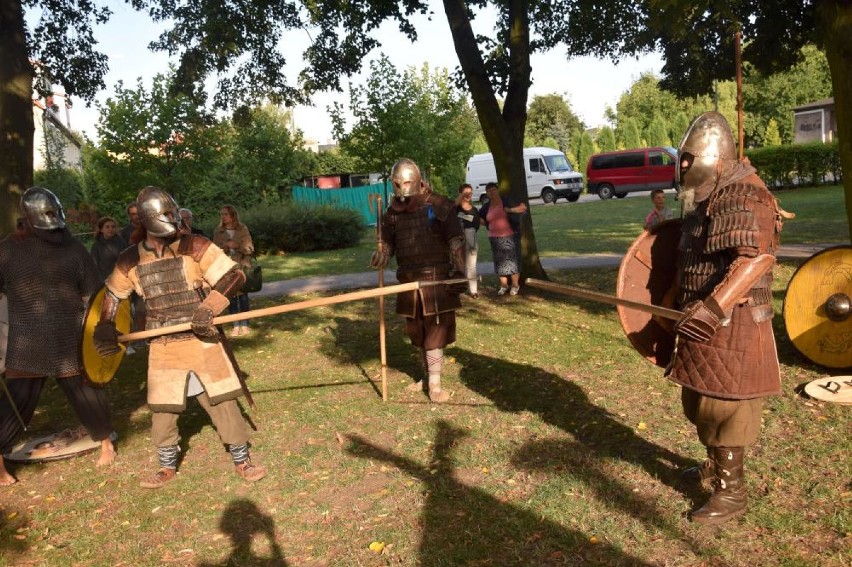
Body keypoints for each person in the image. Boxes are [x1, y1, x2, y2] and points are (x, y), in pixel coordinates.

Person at [93, 186, 265, 488]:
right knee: (163, 407)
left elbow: (234, 275)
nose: (173, 219)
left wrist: (209, 306)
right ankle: (166, 466)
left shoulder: (195, 245)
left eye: (174, 213)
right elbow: (112, 292)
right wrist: (105, 324)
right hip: (163, 342)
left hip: (202, 339)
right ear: (148, 220)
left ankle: (242, 459)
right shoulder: (130, 259)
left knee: (223, 400)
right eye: (167, 215)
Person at [668, 112, 785, 525]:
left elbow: (754, 262)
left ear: (715, 158)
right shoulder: (710, 194)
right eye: (681, 159)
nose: (682, 167)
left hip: (733, 321)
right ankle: (715, 470)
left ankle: (731, 493)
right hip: (705, 320)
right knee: (702, 400)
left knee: (727, 408)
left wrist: (713, 307)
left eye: (689, 159)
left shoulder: (741, 196)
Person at [0, 187, 116, 486]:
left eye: (55, 213)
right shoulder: (8, 249)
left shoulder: (73, 248)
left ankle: (106, 442)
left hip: (70, 333)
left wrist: (100, 325)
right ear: (27, 217)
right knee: (15, 403)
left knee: (87, 393)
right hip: (28, 339)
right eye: (46, 214)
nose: (53, 220)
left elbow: (93, 292)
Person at [369, 159, 466, 403]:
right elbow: (388, 244)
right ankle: (426, 375)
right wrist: (382, 253)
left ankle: (435, 384)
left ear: (418, 182)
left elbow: (456, 241)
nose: (403, 196)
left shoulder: (438, 206)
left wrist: (462, 272)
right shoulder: (392, 213)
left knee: (434, 332)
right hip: (408, 279)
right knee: (418, 332)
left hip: (435, 278)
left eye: (406, 188)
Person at [478, 182, 527, 296]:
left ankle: (515, 285)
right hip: (494, 237)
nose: (491, 193)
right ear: (487, 193)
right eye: (489, 191)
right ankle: (504, 286)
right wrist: (481, 221)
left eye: (493, 190)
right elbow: (480, 218)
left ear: (498, 190)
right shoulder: (486, 206)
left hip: (509, 235)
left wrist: (510, 210)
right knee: (499, 263)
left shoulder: (506, 201)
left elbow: (523, 208)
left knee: (512, 262)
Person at [212, 205, 254, 337]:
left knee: (243, 297)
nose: (223, 217)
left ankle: (245, 324)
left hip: (242, 267)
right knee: (231, 297)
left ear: (232, 215)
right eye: (221, 214)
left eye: (225, 214)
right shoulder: (218, 231)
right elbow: (215, 252)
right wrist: (225, 247)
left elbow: (250, 249)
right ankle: (235, 325)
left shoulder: (242, 229)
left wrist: (237, 246)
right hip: (227, 269)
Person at [455, 183, 480, 298]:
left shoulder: (474, 210)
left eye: (470, 192)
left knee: (471, 266)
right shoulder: (456, 208)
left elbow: (477, 226)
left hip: (471, 238)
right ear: (460, 193)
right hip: (457, 240)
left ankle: (473, 291)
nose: (468, 195)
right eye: (466, 193)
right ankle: (458, 289)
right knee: (458, 265)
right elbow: (452, 207)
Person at [90, 216, 128, 282]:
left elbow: (128, 260)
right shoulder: (96, 246)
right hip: (104, 280)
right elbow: (93, 265)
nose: (110, 229)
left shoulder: (122, 243)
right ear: (101, 229)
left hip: (121, 279)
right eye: (107, 227)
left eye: (113, 227)